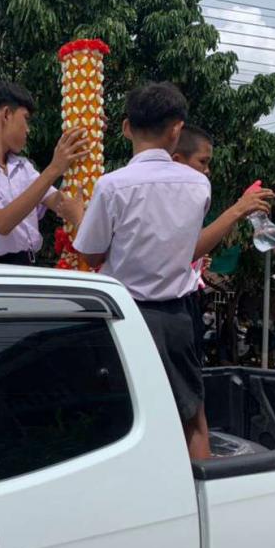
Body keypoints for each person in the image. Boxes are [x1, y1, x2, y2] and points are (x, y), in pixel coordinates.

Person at [72, 83, 214, 459]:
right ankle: (202, 488)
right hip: (179, 315)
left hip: (123, 316)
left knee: (123, 417)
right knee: (192, 417)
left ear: (126, 128)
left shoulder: (111, 185)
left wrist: (76, 215)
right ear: (176, 130)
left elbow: (90, 253)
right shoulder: (199, 185)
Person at [0, 80, 88, 265]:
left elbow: (62, 203)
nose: (28, 130)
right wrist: (54, 169)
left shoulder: (23, 167)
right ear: (6, 114)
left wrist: (88, 132)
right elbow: (2, 223)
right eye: (26, 118)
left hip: (28, 265)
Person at [172, 125, 274, 365]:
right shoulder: (176, 196)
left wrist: (198, 264)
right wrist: (239, 208)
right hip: (170, 309)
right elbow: (187, 251)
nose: (207, 171)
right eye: (202, 162)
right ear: (177, 160)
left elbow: (189, 251)